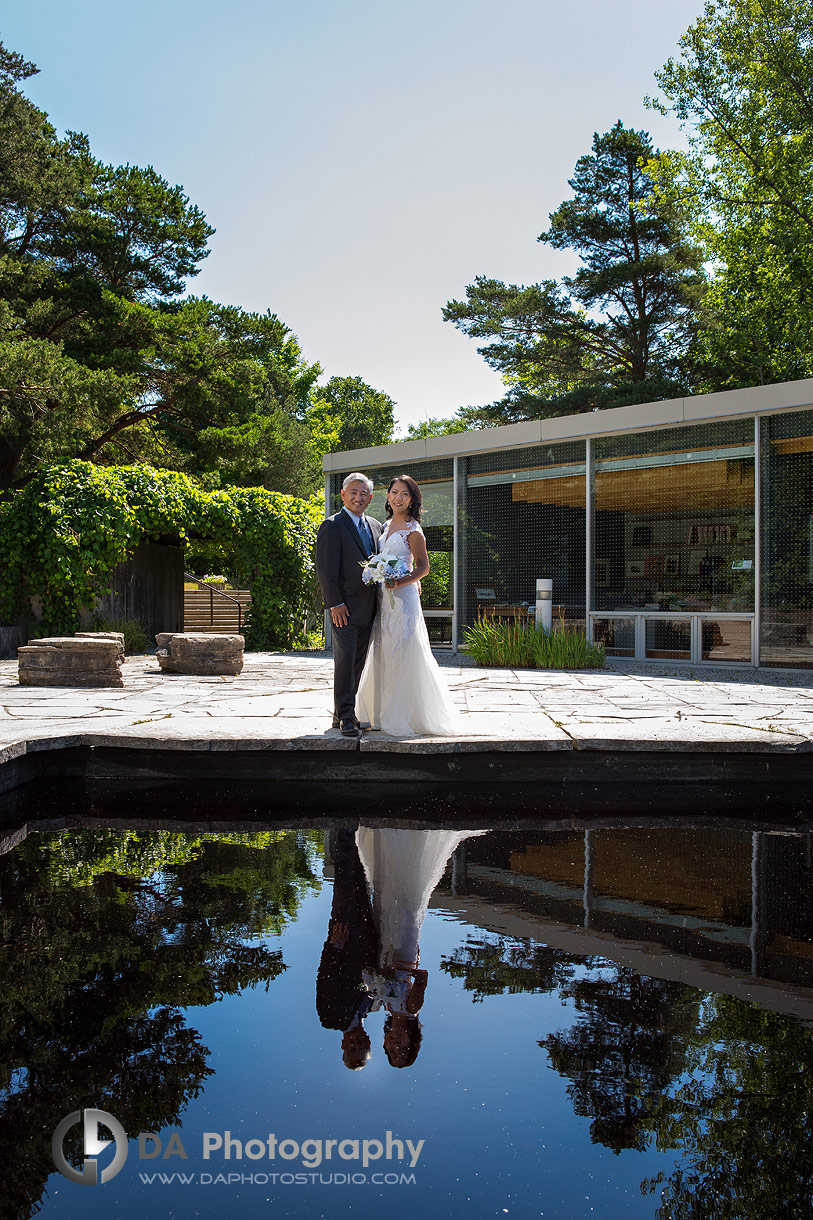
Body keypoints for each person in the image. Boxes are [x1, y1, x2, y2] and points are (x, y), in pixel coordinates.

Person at [356, 474, 460, 737]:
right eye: (394, 492)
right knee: (383, 650)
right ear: (388, 496)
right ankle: (380, 713)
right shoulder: (385, 525)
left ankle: (407, 715)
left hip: (403, 599)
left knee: (405, 650)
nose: (398, 497)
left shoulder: (413, 530)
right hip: (384, 599)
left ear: (412, 499)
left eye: (404, 493)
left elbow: (423, 567)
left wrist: (401, 581)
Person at [315, 473, 383, 735]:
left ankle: (342, 713)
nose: (358, 497)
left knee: (358, 662)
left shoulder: (376, 526)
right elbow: (326, 570)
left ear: (370, 497)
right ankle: (346, 717)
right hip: (344, 608)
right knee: (345, 661)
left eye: (364, 493)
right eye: (353, 492)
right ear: (343, 495)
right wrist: (335, 604)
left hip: (370, 607)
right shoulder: (332, 526)